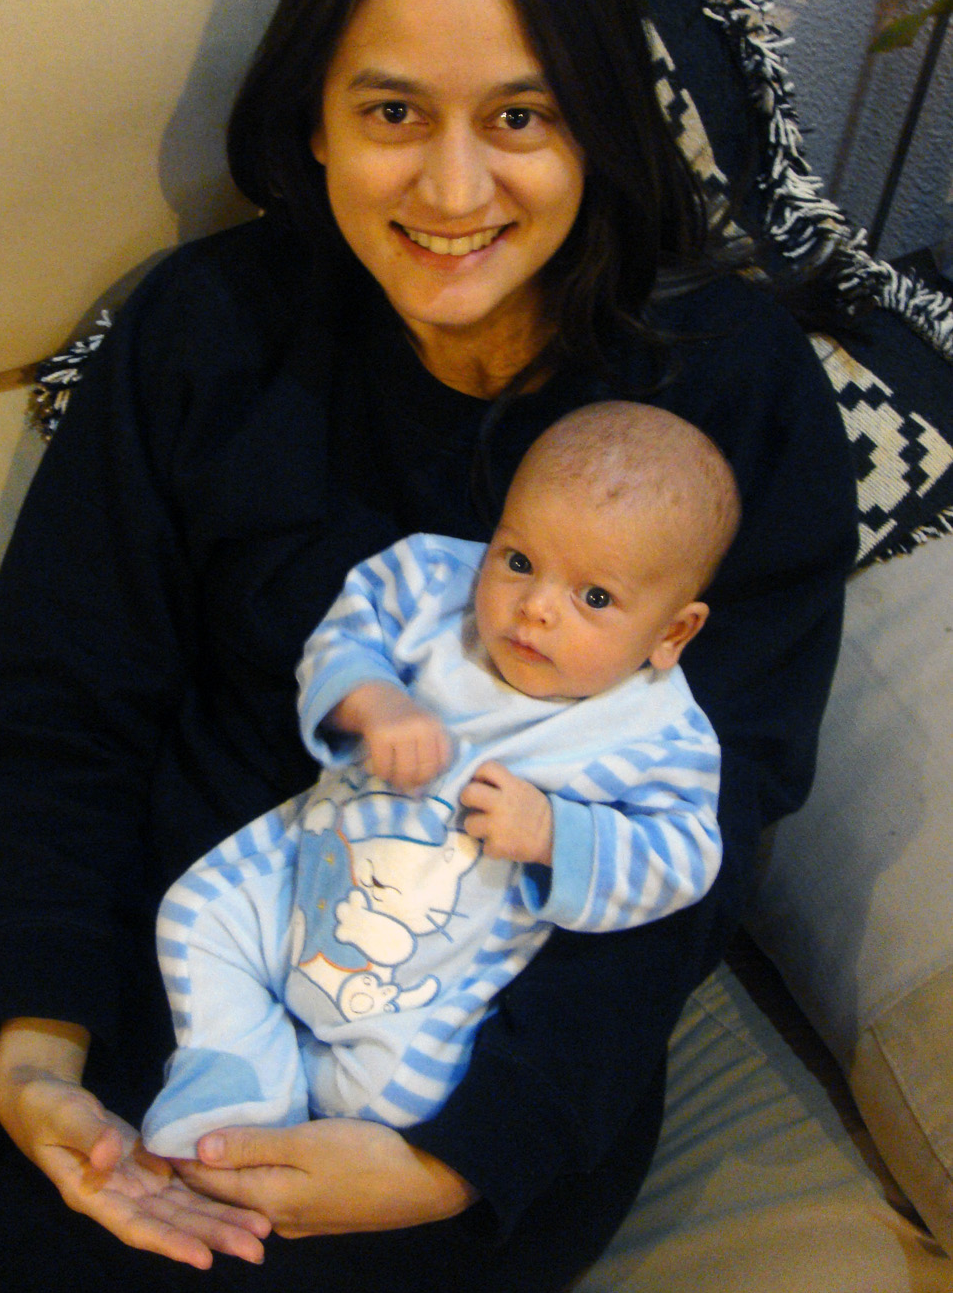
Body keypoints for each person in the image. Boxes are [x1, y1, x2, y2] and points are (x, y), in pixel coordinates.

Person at [0, 0, 857, 1293]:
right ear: (317, 120)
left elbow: (703, 833)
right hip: (180, 945)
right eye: (394, 111)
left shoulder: (726, 398)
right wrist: (38, 1040)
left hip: (460, 1059)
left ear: (598, 124)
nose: (453, 186)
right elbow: (64, 702)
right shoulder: (205, 331)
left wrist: (455, 1158)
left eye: (520, 115)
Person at [142, 401, 738, 1157]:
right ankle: (238, 1073)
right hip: (304, 873)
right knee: (196, 914)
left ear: (672, 631)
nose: (534, 608)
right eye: (517, 560)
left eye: (594, 597)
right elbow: (344, 636)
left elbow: (686, 857)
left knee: (392, 1099)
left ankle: (289, 1114)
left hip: (422, 980)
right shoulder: (430, 582)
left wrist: (556, 834)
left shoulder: (658, 734)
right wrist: (376, 700)